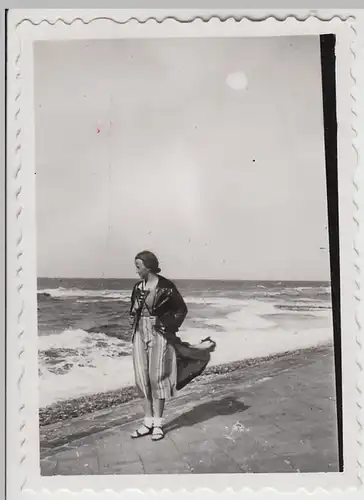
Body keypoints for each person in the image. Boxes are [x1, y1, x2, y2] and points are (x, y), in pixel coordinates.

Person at [129, 250, 216, 441]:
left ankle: (158, 424)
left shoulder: (166, 287)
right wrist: (135, 310)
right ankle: (147, 422)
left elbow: (181, 310)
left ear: (149, 267)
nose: (136, 270)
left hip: (160, 335)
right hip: (139, 334)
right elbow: (134, 309)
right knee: (142, 379)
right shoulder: (137, 287)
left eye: (138, 266)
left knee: (157, 378)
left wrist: (163, 322)